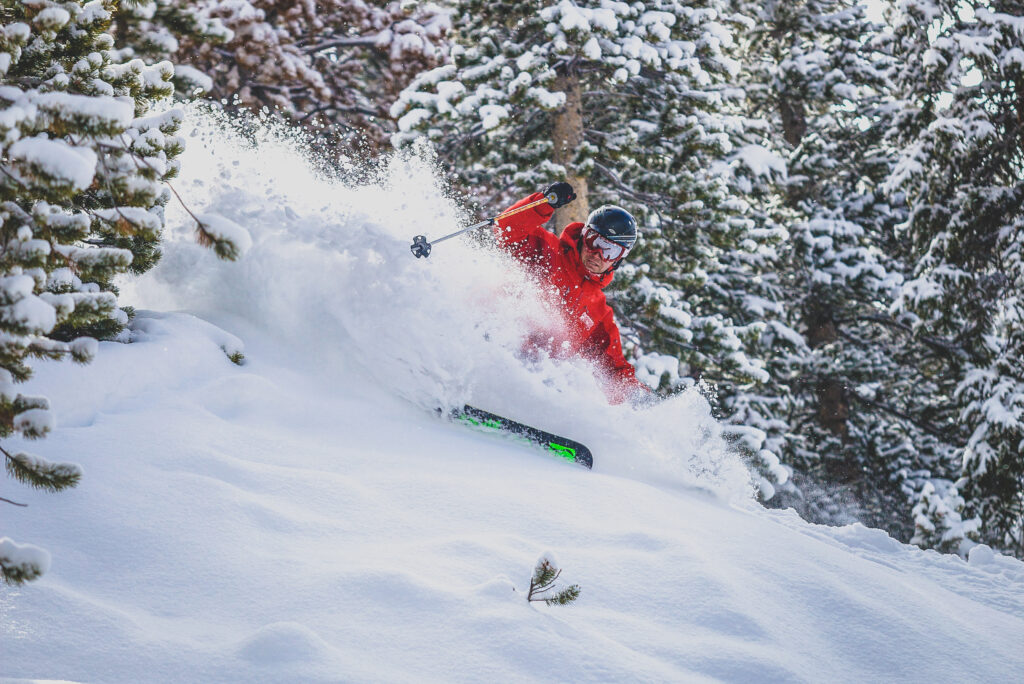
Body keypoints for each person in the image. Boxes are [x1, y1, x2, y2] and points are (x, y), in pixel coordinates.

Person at [492, 181, 653, 405]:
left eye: (610, 250)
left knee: (567, 382)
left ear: (619, 259)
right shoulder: (548, 252)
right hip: (496, 342)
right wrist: (542, 204)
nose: (598, 254)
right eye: (594, 241)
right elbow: (504, 229)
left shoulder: (598, 312)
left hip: (533, 379)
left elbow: (613, 368)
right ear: (584, 235)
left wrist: (638, 397)